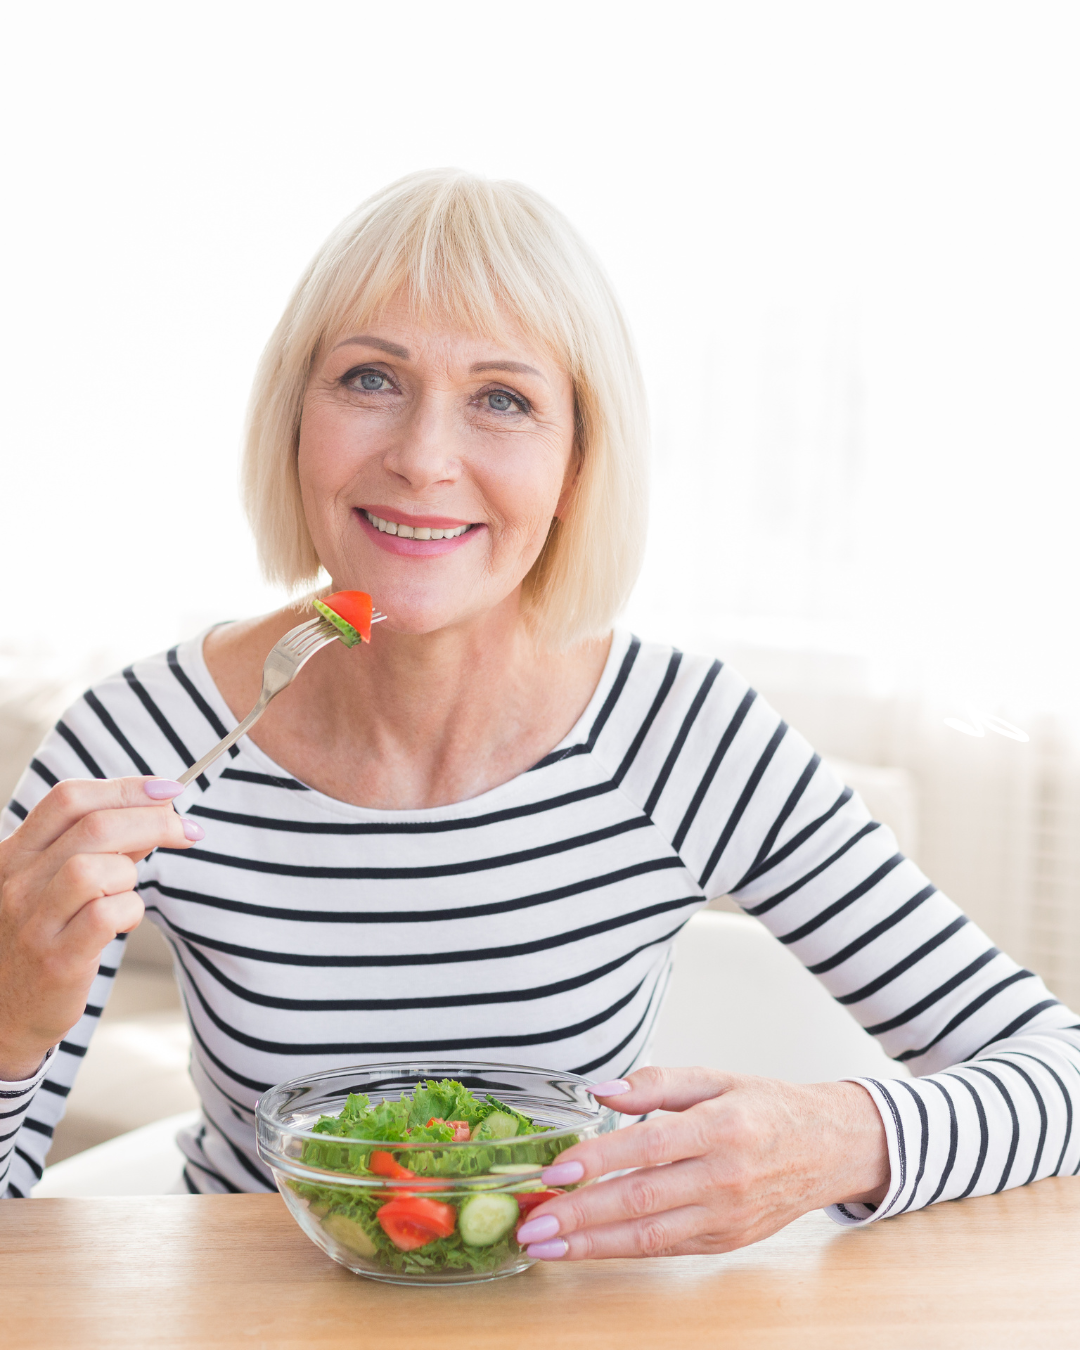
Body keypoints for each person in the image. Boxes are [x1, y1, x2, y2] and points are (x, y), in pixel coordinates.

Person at [1, 172, 1077, 1261]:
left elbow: (1062, 1070)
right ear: (293, 422)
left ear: (577, 464)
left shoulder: (681, 736)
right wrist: (5, 1025)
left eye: (503, 399)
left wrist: (844, 1137)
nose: (423, 457)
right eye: (370, 378)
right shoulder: (139, 745)